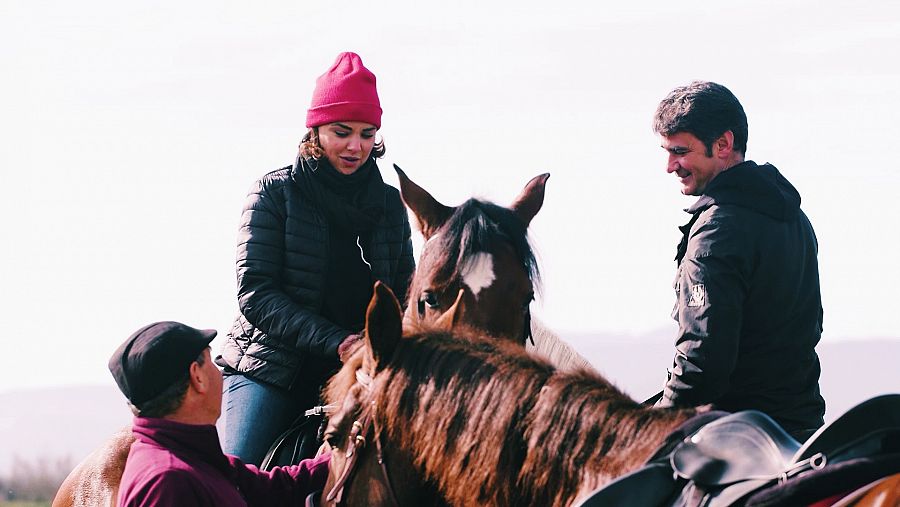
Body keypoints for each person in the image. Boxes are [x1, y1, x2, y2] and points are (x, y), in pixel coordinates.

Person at [216, 52, 416, 465]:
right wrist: (336, 341)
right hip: (272, 367)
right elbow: (256, 294)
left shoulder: (390, 206)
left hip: (364, 369)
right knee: (237, 474)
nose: (355, 146)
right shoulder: (274, 194)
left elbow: (404, 292)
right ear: (316, 129)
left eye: (366, 134)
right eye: (342, 132)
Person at [652, 81, 825, 441]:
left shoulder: (716, 231)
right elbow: (812, 327)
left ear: (724, 144)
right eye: (667, 152)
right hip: (802, 430)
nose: (670, 166)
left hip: (736, 436)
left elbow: (702, 364)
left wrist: (651, 423)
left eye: (680, 151)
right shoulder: (794, 218)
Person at [109, 321, 330, 506]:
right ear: (198, 377)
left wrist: (336, 458)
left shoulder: (195, 457)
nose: (221, 374)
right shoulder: (168, 483)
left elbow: (276, 487)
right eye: (211, 360)